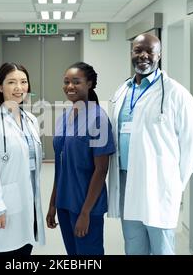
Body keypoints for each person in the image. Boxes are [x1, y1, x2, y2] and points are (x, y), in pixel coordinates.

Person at [107, 33, 193, 255]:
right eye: (137, 50)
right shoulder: (123, 90)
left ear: (159, 55)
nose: (143, 55)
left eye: (149, 51)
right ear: (131, 53)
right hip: (125, 179)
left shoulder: (176, 94)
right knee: (133, 243)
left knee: (161, 246)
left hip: (158, 182)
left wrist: (175, 182)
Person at [47, 62, 116, 255]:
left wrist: (85, 212)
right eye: (66, 82)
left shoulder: (98, 118)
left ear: (90, 84)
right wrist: (53, 203)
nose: (70, 86)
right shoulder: (65, 115)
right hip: (64, 203)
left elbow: (101, 169)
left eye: (76, 82)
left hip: (86, 206)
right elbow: (61, 166)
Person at [0, 62, 45, 255]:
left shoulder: (31, 120)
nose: (19, 88)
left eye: (23, 82)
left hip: (29, 203)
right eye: (12, 82)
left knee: (25, 251)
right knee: (7, 252)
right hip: (6, 206)